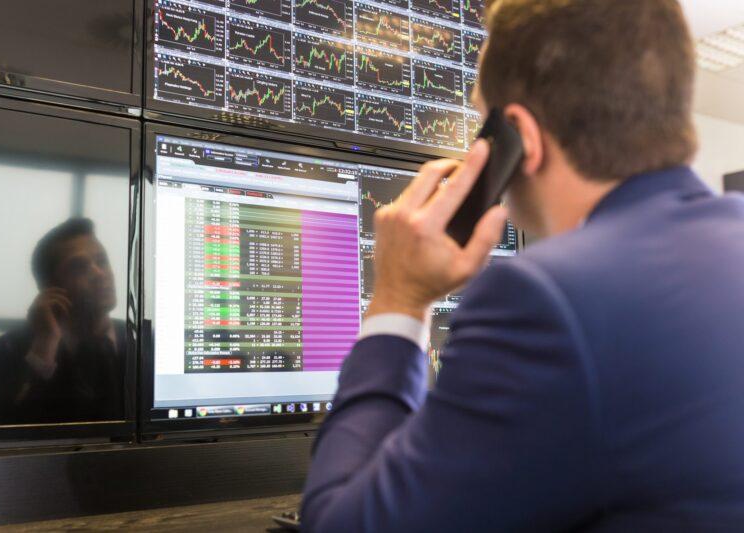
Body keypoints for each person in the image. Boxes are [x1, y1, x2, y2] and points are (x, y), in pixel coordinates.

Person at [301, 0, 744, 531]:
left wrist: (399, 297)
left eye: (478, 117)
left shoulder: (547, 296)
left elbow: (341, 525)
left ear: (518, 138)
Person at [0, 218, 126, 427]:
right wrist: (44, 345)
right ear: (50, 289)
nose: (100, 274)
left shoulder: (146, 341)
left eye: (102, 261)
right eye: (79, 267)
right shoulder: (6, 349)